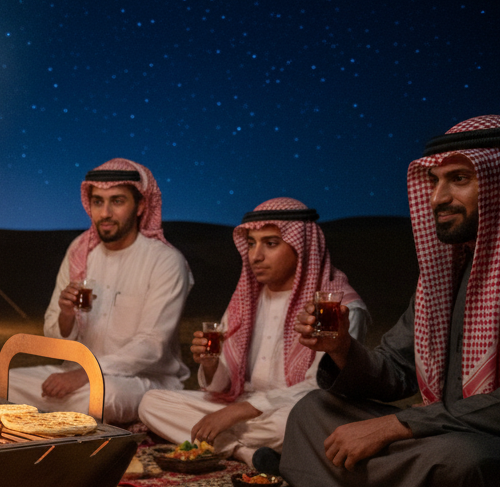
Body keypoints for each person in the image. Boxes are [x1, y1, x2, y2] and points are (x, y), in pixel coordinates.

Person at [280, 115, 500, 487]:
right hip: (439, 433)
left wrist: (397, 425)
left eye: (459, 179)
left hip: (483, 446)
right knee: (312, 411)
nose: (438, 198)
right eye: (435, 181)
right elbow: (396, 370)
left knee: (465, 462)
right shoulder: (446, 273)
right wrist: (343, 348)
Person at [138, 199, 368, 465]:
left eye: (270, 244)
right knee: (150, 403)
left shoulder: (338, 308)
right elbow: (226, 385)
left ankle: (224, 442)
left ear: (301, 247)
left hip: (297, 410)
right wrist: (212, 364)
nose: (255, 256)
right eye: (251, 243)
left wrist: (240, 411)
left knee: (293, 425)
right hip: (242, 405)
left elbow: (322, 386)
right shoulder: (246, 300)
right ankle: (245, 452)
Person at [0, 159, 192, 425]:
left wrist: (87, 373)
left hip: (139, 380)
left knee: (104, 398)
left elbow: (151, 346)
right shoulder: (80, 252)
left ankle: (54, 425)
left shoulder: (164, 261)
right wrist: (66, 314)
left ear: (141, 206)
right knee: (0, 381)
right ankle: (52, 429)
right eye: (98, 202)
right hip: (75, 375)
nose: (105, 212)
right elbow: (53, 334)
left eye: (117, 201)